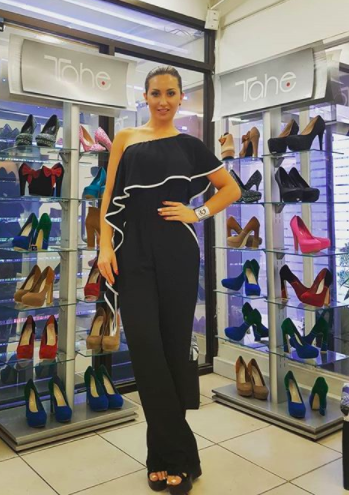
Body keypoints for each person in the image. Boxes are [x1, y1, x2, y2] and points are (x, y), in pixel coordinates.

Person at [97, 66, 240, 494]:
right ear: (145, 96)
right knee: (145, 348)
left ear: (181, 98)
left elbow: (230, 189)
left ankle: (161, 458)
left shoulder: (191, 146)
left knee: (173, 348)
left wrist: (197, 213)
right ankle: (183, 455)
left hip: (178, 250)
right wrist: (105, 246)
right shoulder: (125, 138)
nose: (163, 100)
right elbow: (108, 195)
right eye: (156, 93)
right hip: (132, 249)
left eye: (171, 93)